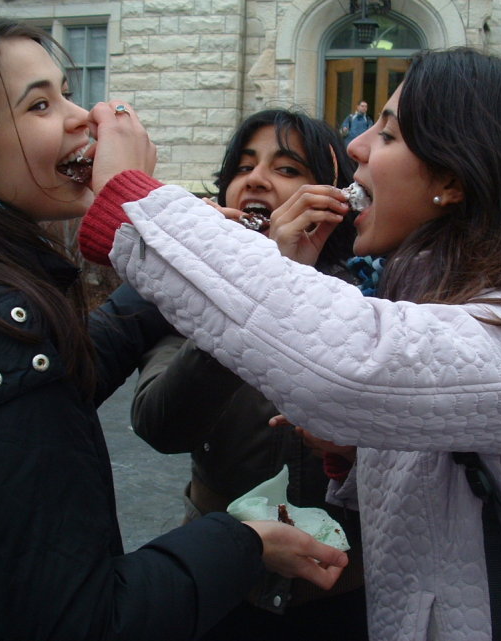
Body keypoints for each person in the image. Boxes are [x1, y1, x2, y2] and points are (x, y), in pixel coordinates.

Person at [77, 47, 501, 640]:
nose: (356, 146)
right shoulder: (450, 289)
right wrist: (353, 453)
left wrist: (133, 201)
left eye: (386, 135)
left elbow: (348, 364)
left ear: (454, 177)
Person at [0, 2, 349, 640]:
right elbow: (86, 618)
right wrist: (243, 544)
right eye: (39, 105)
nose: (86, 118)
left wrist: (192, 266)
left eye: (68, 94)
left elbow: (67, 365)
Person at [130, 108, 368, 641]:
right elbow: (161, 425)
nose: (256, 178)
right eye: (243, 165)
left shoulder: (368, 304)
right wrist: (246, 294)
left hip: (345, 591)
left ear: (331, 199)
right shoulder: (187, 294)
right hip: (225, 584)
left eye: (286, 168)